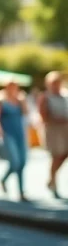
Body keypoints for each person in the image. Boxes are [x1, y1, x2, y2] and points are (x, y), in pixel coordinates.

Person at [0, 80, 30, 201]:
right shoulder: (0, 99)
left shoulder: (19, 99)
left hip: (20, 134)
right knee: (15, 162)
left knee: (22, 162)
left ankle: (21, 191)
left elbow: (26, 113)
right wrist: (0, 133)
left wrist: (23, 101)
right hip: (8, 134)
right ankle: (3, 179)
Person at [38, 71, 68, 199]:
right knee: (56, 155)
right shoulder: (45, 97)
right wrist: (59, 120)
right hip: (53, 130)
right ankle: (53, 182)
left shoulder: (65, 94)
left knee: (64, 154)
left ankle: (51, 178)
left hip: (65, 129)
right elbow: (44, 116)